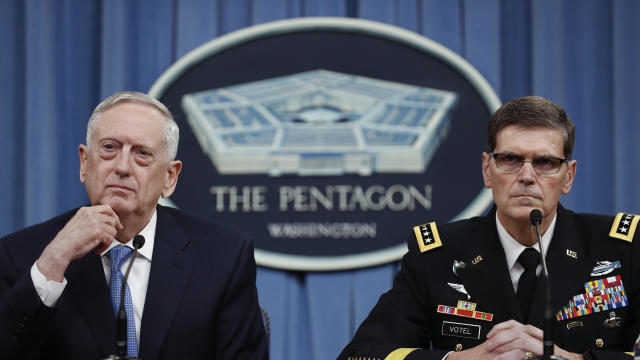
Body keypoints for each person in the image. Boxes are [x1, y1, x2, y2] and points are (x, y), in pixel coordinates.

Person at [338, 96, 639, 360]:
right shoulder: (437, 255)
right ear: (487, 169)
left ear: (568, 176)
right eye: (510, 159)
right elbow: (362, 354)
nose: (526, 176)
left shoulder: (620, 249)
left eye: (545, 162)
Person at [0, 91, 268, 359]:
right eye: (109, 148)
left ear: (169, 177)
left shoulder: (223, 256)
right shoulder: (20, 255)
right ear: (84, 163)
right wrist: (54, 260)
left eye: (142, 153)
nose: (122, 167)